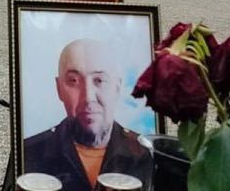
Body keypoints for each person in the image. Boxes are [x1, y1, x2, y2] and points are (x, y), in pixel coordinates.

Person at [22, 39, 152, 191]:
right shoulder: (29, 153)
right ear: (59, 88)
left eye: (99, 80)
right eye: (74, 81)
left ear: (117, 88)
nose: (88, 97)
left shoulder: (146, 155)